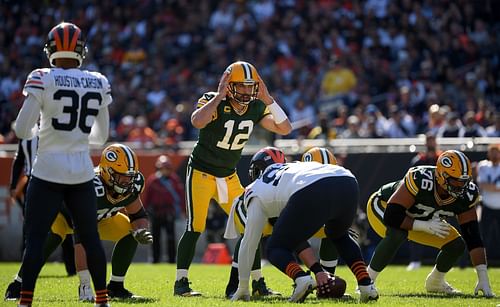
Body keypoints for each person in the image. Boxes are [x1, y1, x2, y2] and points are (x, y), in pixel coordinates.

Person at [12, 22, 111, 307]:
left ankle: (25, 301)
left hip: (47, 170)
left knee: (35, 241)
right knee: (90, 239)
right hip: (80, 171)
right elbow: (101, 136)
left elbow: (21, 130)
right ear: (81, 50)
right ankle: (102, 300)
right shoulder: (97, 80)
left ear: (50, 50)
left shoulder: (42, 77)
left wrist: (42, 132)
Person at [174, 60, 292, 296]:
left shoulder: (256, 107)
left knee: (252, 225)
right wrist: (218, 97)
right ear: (229, 86)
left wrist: (269, 99)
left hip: (228, 176)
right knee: (195, 226)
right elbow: (197, 121)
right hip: (201, 172)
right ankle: (181, 283)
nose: (248, 91)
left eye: (251, 87)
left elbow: (285, 128)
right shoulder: (212, 100)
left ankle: (257, 283)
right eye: (242, 86)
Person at [5, 144, 153, 302]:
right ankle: (17, 285)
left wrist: (141, 230)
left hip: (100, 219)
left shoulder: (132, 185)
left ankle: (116, 287)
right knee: (50, 239)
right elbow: (81, 240)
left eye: (130, 176)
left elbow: (138, 215)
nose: (127, 181)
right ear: (107, 172)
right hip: (62, 215)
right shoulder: (91, 186)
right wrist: (85, 284)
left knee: (129, 232)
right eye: (122, 176)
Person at [229, 147, 379, 303]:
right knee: (338, 235)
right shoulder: (294, 167)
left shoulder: (255, 189)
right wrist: (318, 270)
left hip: (312, 188)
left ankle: (301, 278)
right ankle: (366, 285)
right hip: (347, 180)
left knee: (275, 248)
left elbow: (249, 244)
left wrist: (243, 287)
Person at [366, 150, 494, 297]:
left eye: (464, 181)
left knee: (456, 245)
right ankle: (366, 281)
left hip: (421, 219)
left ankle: (436, 282)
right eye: (455, 181)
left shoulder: (467, 195)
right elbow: (392, 216)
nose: (460, 187)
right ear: (441, 176)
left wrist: (483, 277)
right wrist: (423, 226)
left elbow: (473, 237)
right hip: (384, 206)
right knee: (397, 233)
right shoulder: (421, 178)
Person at [9, 136, 76, 275]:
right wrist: (13, 184)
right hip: (40, 182)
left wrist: (14, 184)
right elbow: (20, 159)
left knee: (64, 223)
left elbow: (19, 160)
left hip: (50, 182)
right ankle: (26, 270)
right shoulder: (29, 135)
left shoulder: (35, 134)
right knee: (31, 227)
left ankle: (71, 266)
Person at [406, 132, 442, 271]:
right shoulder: (419, 161)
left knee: (443, 230)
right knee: (416, 229)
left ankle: (443, 261)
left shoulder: (442, 160)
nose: (431, 144)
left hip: (439, 202)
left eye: (433, 141)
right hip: (421, 201)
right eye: (429, 141)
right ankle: (415, 260)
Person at [143, 154, 184, 263]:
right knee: (155, 238)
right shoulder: (152, 180)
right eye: (162, 168)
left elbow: (180, 196)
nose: (164, 170)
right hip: (155, 213)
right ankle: (155, 260)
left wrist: (182, 211)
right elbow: (147, 198)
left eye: (166, 168)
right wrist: (145, 213)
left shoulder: (174, 180)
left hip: (169, 212)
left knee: (171, 238)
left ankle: (172, 260)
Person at [476, 144, 500, 262]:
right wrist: (496, 187)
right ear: (488, 154)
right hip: (487, 206)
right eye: (492, 152)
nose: (495, 154)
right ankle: (482, 262)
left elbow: (487, 186)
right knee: (484, 236)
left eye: (497, 152)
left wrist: (491, 187)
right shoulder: (483, 166)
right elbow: (482, 185)